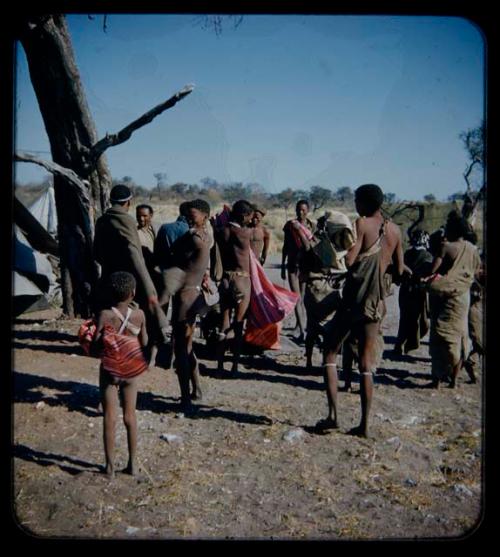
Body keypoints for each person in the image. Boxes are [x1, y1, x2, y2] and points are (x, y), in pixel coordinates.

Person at [318, 184, 406, 437]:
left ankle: (333, 416)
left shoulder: (362, 223)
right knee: (366, 363)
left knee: (330, 353)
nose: (355, 204)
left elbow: (349, 260)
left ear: (365, 202)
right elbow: (399, 271)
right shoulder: (395, 230)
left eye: (357, 200)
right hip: (376, 303)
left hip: (354, 301)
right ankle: (365, 426)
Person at [93, 185, 168, 356]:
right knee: (130, 316)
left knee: (112, 315)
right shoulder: (126, 221)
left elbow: (96, 253)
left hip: (107, 278)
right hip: (128, 280)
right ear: (128, 202)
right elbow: (136, 255)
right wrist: (147, 285)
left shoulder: (102, 221)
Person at [91, 271, 148, 479]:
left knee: (110, 416)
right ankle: (133, 464)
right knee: (130, 416)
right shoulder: (140, 315)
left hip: (110, 369)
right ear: (133, 292)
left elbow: (96, 344)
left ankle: (109, 468)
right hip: (131, 370)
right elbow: (145, 341)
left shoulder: (105, 315)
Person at [423, 212, 482, 389]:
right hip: (463, 297)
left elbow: (433, 270)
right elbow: (477, 271)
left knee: (438, 337)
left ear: (452, 230)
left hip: (442, 296)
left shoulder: (446, 247)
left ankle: (436, 380)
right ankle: (454, 381)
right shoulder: (472, 249)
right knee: (458, 336)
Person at [169, 199, 212, 412]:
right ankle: (196, 390)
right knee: (187, 345)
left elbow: (177, 261)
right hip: (194, 294)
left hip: (185, 296)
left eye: (193, 214)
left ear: (205, 215)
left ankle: (185, 398)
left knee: (180, 348)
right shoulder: (205, 236)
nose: (188, 217)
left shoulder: (194, 238)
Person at [216, 199, 254, 375]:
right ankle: (234, 366)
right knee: (238, 324)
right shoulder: (245, 233)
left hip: (225, 279)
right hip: (241, 280)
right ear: (244, 216)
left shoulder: (222, 231)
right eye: (250, 216)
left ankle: (220, 364)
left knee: (224, 323)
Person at [394, 229, 433, 355]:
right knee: (418, 319)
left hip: (405, 290)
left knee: (404, 318)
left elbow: (399, 271)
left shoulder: (407, 253)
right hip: (418, 290)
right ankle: (411, 344)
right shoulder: (428, 256)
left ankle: (400, 344)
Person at [281, 199, 315, 343]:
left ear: (308, 210)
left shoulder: (312, 226)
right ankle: (302, 331)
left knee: (304, 298)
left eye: (303, 210)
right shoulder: (290, 226)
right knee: (296, 298)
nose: (300, 212)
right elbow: (285, 246)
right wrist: (283, 264)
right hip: (293, 265)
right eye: (298, 209)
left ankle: (299, 325)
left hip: (306, 266)